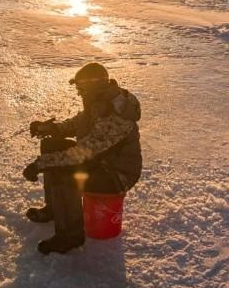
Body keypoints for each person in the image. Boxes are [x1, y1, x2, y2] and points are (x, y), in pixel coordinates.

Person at [23, 62, 142, 255]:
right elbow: (80, 122)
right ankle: (55, 210)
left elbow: (82, 153)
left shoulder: (116, 115)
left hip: (117, 174)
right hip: (101, 162)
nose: (79, 93)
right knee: (51, 145)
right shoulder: (99, 102)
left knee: (66, 172)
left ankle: (70, 236)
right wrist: (52, 129)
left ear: (92, 86)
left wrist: (40, 164)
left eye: (81, 88)